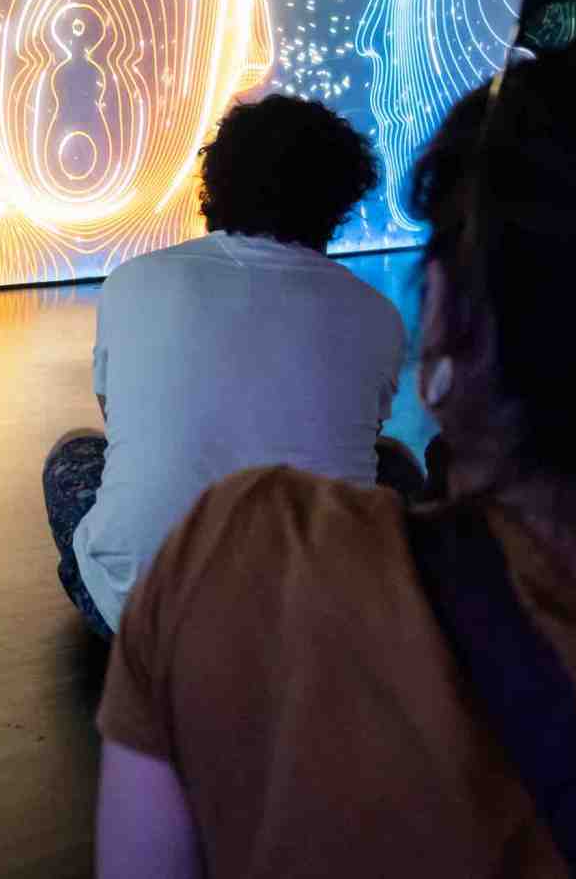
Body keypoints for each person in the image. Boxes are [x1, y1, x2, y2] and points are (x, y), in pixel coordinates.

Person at [95, 19, 576, 876]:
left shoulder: (235, 546)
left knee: (76, 464)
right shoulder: (369, 317)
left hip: (145, 591)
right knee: (383, 457)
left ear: (449, 316)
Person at [43, 93, 413, 638]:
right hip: (319, 632)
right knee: (395, 465)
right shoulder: (375, 314)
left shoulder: (135, 281)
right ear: (340, 200)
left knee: (74, 453)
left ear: (215, 184)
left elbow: (115, 419)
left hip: (141, 622)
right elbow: (362, 434)